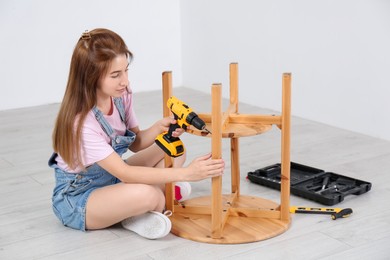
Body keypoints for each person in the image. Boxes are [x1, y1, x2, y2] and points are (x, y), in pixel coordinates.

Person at [48, 28, 225, 239]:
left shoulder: (121, 96)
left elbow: (136, 143)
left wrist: (159, 127)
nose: (125, 81)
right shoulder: (83, 123)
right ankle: (148, 204)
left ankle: (140, 206)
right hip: (80, 198)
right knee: (150, 195)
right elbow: (125, 173)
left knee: (174, 151)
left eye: (126, 71)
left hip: (111, 176)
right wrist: (188, 174)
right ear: (91, 77)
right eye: (115, 75)